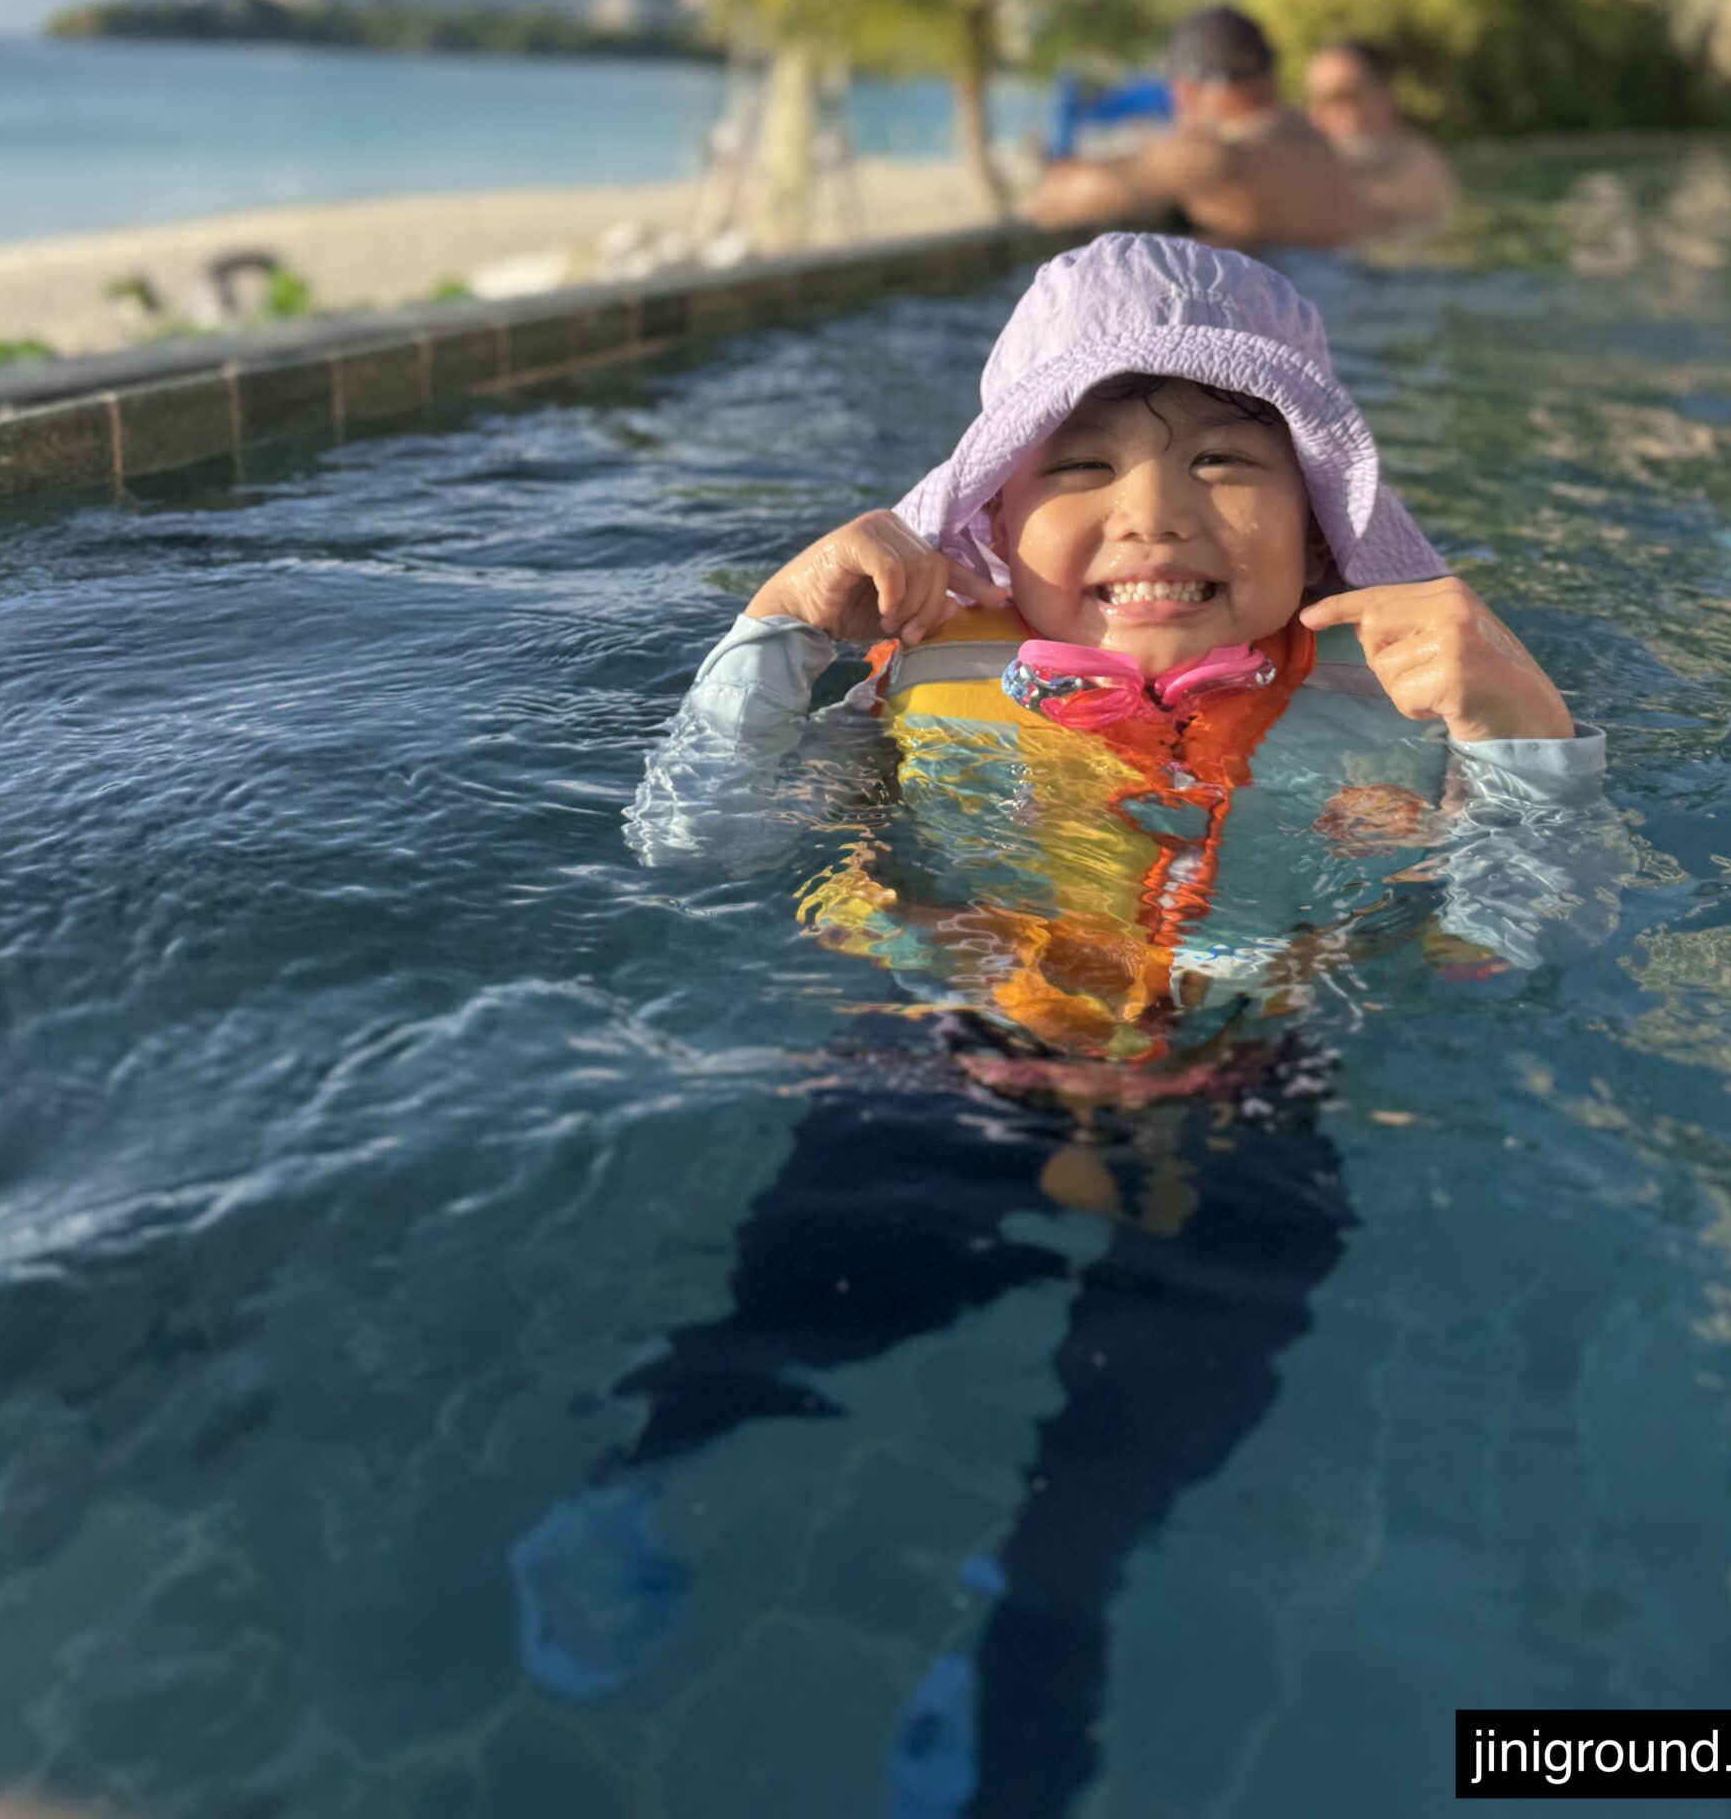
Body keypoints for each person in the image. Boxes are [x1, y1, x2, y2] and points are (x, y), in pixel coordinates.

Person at [521, 236, 1615, 1816]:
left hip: (1251, 1088)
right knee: (794, 1295)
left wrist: (1522, 724)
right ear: (988, 524)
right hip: (950, 1065)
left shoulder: (1393, 724)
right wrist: (776, 628)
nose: (1155, 514)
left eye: (1230, 466)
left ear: (1322, 528)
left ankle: (1047, 1612)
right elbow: (690, 845)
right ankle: (651, 1473)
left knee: (1178, 1384)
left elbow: (1517, 943)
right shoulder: (920, 692)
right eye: (1082, 462)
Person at [1024, 7, 1370, 249]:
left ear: (1185, 91)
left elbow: (1050, 204)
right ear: (1270, 75)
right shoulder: (1325, 146)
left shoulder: (1216, 157)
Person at [1302, 36, 1457, 232]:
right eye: (1312, 100)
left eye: (1339, 98)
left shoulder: (1418, 161)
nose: (1316, 116)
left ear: (1384, 98)